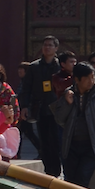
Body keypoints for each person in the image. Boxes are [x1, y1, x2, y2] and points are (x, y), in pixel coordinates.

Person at [49, 62, 95, 189]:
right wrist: (67, 103)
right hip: (71, 145)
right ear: (77, 79)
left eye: (92, 77)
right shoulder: (69, 93)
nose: (91, 81)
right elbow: (59, 119)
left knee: (83, 178)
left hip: (92, 145)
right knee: (70, 180)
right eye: (87, 78)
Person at [20, 35, 63, 177]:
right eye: (45, 45)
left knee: (56, 141)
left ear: (56, 48)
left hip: (58, 110)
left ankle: (56, 170)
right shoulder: (34, 67)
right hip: (41, 109)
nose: (47, 47)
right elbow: (26, 88)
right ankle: (49, 171)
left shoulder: (60, 66)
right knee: (44, 142)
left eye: (50, 45)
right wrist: (24, 106)